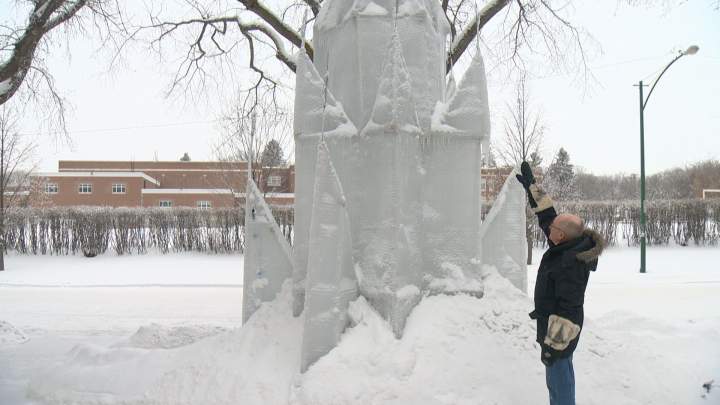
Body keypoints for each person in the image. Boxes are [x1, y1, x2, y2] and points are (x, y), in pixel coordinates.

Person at [515, 161, 605, 405]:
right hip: (554, 325)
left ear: (561, 236)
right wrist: (532, 188)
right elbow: (549, 216)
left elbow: (569, 307)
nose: (547, 229)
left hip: (560, 332)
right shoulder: (567, 244)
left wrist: (553, 345)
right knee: (561, 376)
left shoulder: (569, 264)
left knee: (559, 379)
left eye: (552, 229)